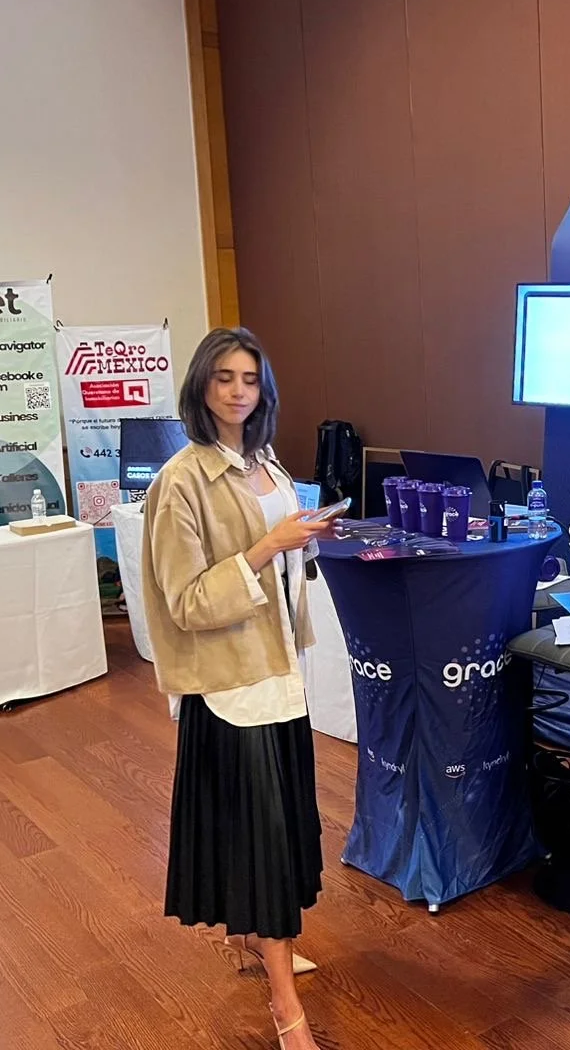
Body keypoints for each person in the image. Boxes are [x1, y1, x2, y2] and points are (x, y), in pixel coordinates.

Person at [142, 328, 332, 1050]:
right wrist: (264, 549)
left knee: (279, 828)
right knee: (262, 841)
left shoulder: (265, 464)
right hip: (233, 685)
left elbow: (279, 568)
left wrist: (298, 541)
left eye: (249, 378)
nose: (237, 391)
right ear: (200, 388)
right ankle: (287, 1009)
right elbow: (186, 601)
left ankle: (259, 941)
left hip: (281, 672)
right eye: (222, 378)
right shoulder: (182, 480)